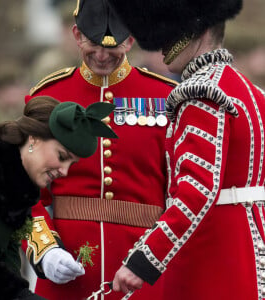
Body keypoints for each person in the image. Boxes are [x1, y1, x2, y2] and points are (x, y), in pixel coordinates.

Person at [106, 0, 265, 299]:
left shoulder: (200, 93)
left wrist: (144, 260)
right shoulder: (252, 92)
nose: (160, 45)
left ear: (199, 29)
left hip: (213, 254)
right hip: (251, 246)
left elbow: (196, 191)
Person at [22, 0, 177, 299]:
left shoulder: (167, 98)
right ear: (77, 35)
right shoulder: (48, 96)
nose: (103, 55)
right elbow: (23, 191)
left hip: (143, 274)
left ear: (131, 40)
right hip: (67, 269)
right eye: (94, 43)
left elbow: (181, 194)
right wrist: (44, 250)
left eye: (114, 45)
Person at [0, 95, 116, 300]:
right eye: (62, 156)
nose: (64, 171)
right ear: (33, 139)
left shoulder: (19, 191)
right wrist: (20, 295)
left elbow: (7, 261)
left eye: (71, 164)